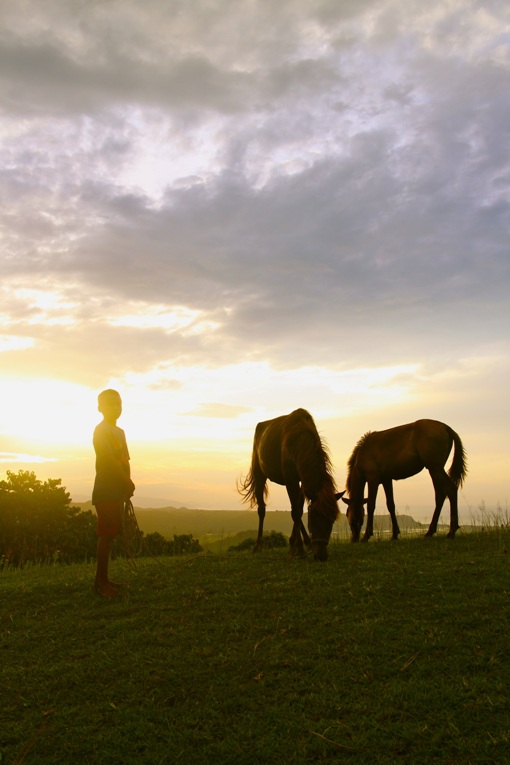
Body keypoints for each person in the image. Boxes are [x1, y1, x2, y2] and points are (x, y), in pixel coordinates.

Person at [92, 389, 135, 597]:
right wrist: (126, 481)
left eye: (118, 404)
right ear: (100, 408)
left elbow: (124, 460)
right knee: (107, 535)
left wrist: (127, 486)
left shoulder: (120, 432)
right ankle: (101, 583)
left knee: (111, 534)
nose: (115, 408)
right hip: (105, 489)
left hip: (117, 490)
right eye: (110, 404)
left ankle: (102, 580)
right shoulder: (100, 431)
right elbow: (108, 461)